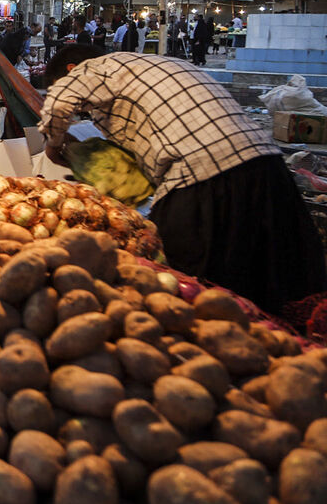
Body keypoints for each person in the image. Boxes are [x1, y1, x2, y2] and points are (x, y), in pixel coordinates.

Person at [41, 44, 326, 313]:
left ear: (71, 69)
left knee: (182, 284)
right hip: (268, 168)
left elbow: (59, 101)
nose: (83, 111)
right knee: (262, 285)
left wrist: (54, 144)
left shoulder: (95, 68)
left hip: (203, 177)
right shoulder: (159, 66)